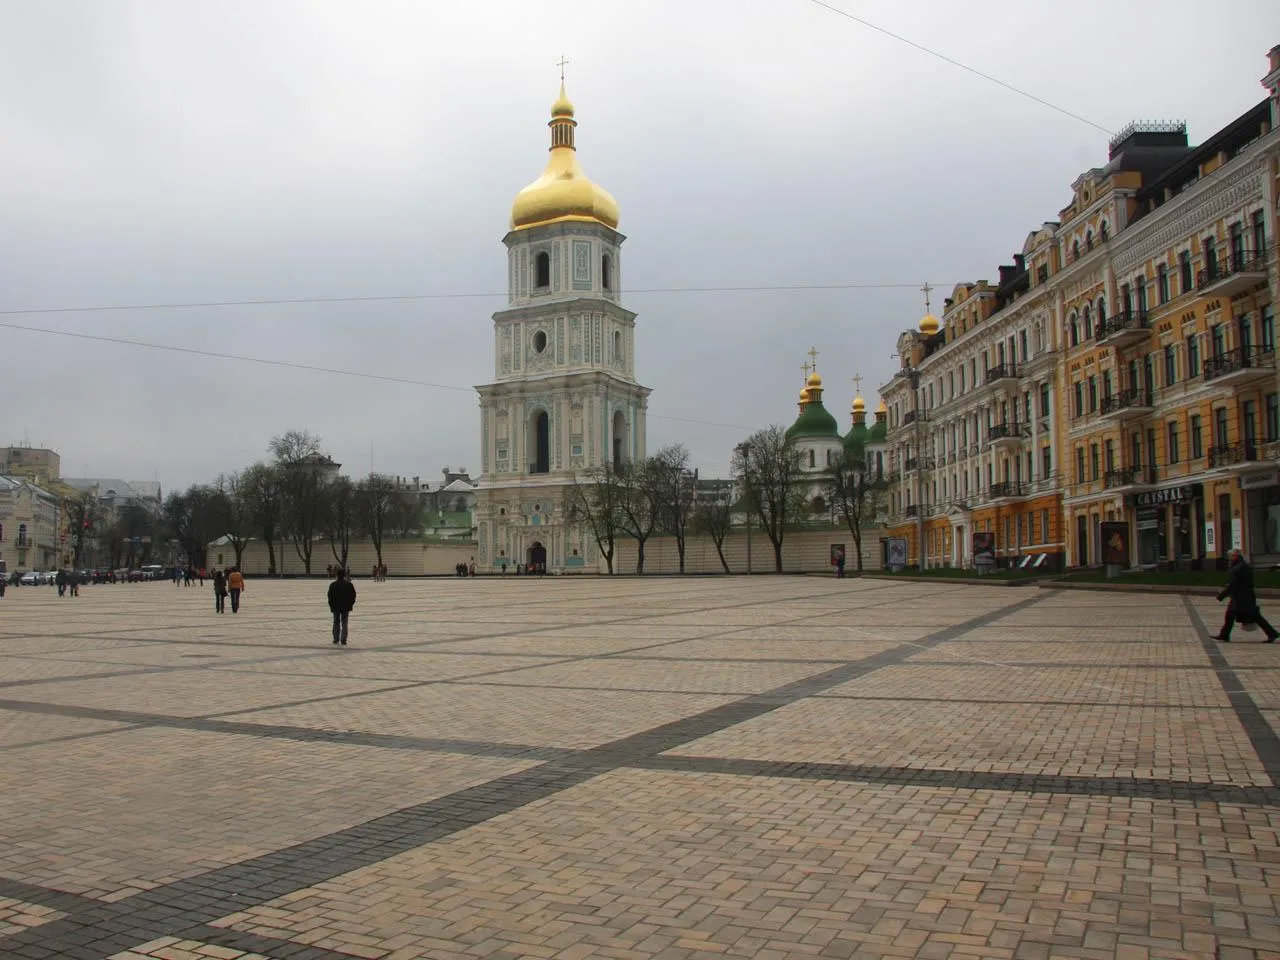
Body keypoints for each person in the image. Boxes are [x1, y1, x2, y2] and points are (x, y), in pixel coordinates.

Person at [1215, 548, 1279, 643]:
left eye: (1230, 556)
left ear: (1235, 556)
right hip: (1241, 597)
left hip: (1243, 598)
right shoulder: (1240, 566)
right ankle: (1224, 635)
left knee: (1256, 616)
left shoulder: (1240, 567)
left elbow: (1233, 583)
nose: (1229, 559)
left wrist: (1221, 596)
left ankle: (1272, 634)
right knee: (1230, 616)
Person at [327, 567, 356, 645]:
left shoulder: (333, 585)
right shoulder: (349, 585)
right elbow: (353, 596)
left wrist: (331, 606)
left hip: (335, 607)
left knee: (336, 622)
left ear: (337, 575)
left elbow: (330, 597)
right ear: (344, 575)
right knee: (344, 622)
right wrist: (350, 604)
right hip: (345, 607)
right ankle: (343, 639)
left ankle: (336, 638)